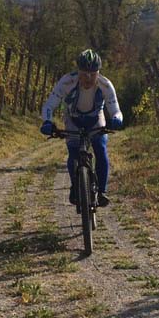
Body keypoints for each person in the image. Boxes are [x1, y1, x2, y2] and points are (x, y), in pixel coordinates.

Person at [40, 49, 123, 206]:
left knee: (100, 148)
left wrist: (116, 119)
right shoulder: (66, 82)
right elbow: (49, 105)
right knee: (73, 152)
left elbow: (115, 109)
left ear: (98, 72)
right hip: (73, 119)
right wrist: (47, 122)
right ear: (78, 71)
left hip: (95, 119)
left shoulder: (105, 84)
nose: (89, 77)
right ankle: (75, 186)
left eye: (93, 73)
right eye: (84, 73)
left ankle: (102, 191)